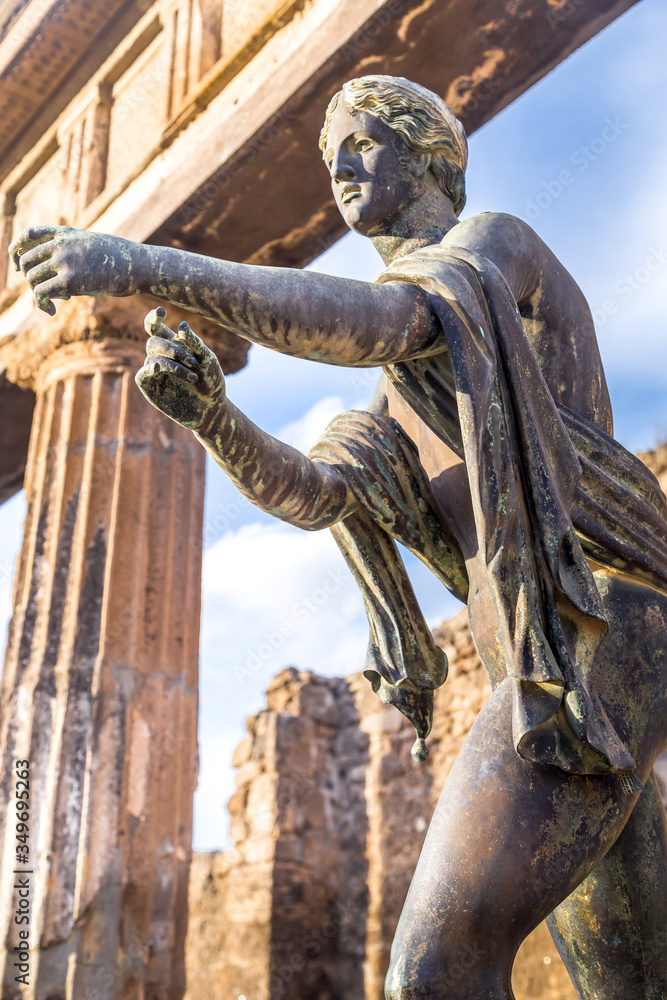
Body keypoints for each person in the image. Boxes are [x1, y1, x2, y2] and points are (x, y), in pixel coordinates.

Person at [9, 75, 667, 1000]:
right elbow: (316, 494)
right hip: (553, 662)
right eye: (327, 158)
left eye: (361, 141)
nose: (338, 168)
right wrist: (212, 418)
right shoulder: (396, 395)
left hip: (605, 631)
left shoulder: (492, 251)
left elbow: (376, 322)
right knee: (633, 983)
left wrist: (138, 265)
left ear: (432, 151)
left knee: (431, 973)